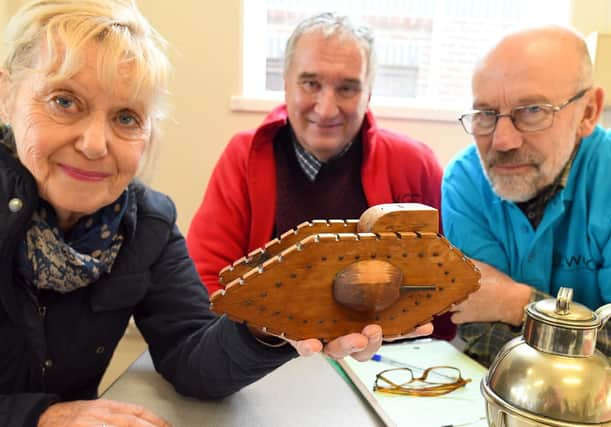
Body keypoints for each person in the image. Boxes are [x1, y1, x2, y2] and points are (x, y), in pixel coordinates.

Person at [0, 2, 433, 426]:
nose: (95, 144)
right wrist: (38, 416)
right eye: (64, 102)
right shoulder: (245, 157)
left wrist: (271, 326)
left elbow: (193, 357)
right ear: (5, 95)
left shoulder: (147, 224)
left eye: (126, 116)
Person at [186, 12, 454, 340]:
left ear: (369, 93)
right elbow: (207, 282)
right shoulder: (244, 156)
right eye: (311, 84)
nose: (326, 109)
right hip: (266, 352)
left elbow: (444, 290)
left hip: (386, 361)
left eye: (347, 88)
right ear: (285, 84)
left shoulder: (415, 165)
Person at [441, 25, 611, 417]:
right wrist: (600, 378)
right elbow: (479, 331)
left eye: (532, 111)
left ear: (588, 112)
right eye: (485, 114)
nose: (502, 140)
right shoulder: (464, 181)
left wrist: (517, 303)